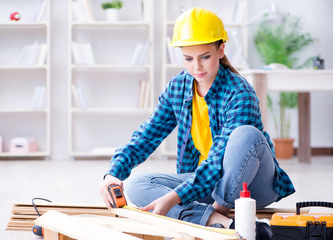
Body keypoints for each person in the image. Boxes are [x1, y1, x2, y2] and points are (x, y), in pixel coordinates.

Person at [100, 7, 295, 236]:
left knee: (247, 135)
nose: (197, 67)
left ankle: (211, 212)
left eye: (205, 57)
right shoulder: (178, 88)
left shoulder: (240, 91)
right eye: (188, 59)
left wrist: (174, 199)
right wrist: (114, 173)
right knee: (137, 185)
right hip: (205, 183)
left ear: (221, 50)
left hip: (251, 185)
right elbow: (147, 135)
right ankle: (220, 222)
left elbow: (218, 160)